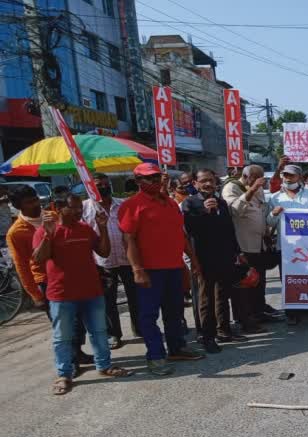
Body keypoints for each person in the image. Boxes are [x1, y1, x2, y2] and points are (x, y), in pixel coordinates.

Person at [32, 192, 132, 395]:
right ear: (58, 207)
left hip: (91, 291)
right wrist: (48, 235)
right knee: (63, 337)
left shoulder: (85, 229)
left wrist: (102, 227)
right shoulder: (46, 230)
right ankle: (64, 374)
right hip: (61, 294)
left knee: (99, 332)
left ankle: (104, 366)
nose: (79, 211)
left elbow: (103, 252)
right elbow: (38, 258)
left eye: (80, 207)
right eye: (73, 208)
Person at [118, 163, 204, 376]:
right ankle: (155, 356)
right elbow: (128, 240)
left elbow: (181, 235)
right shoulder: (131, 206)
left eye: (157, 177)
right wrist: (137, 269)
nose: (156, 181)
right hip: (149, 270)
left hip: (174, 267)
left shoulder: (171, 204)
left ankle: (177, 348)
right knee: (148, 316)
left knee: (174, 312)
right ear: (138, 182)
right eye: (150, 178)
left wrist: (194, 260)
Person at [6, 185, 91, 366]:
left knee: (78, 321)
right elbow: (22, 266)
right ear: (18, 206)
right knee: (62, 324)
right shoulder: (16, 232)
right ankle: (70, 363)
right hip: (46, 281)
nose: (35, 204)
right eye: (29, 202)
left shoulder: (54, 216)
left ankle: (78, 353)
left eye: (35, 199)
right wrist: (35, 295)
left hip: (69, 276)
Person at [183, 169, 244, 353]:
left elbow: (229, 229)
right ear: (195, 183)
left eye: (211, 180)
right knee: (205, 298)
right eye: (203, 181)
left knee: (223, 294)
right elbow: (190, 229)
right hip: (202, 258)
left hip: (224, 257)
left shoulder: (222, 203)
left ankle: (223, 329)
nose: (208, 184)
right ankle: (206, 336)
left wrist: (237, 252)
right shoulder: (190, 203)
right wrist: (205, 211)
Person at [82, 173, 140, 349]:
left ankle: (140, 328)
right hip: (102, 262)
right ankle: (114, 334)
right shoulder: (84, 208)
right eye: (99, 185)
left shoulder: (122, 205)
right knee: (108, 301)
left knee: (136, 297)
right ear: (91, 186)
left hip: (127, 258)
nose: (104, 188)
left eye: (106, 184)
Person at [222, 164, 279, 325]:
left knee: (259, 280)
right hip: (243, 244)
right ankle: (245, 317)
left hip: (259, 243)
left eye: (259, 178)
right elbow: (234, 210)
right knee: (245, 282)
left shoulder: (258, 188)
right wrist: (252, 190)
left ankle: (259, 310)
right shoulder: (231, 187)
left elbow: (262, 210)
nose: (257, 182)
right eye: (254, 178)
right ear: (245, 177)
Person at [267, 164, 308, 325]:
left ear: (299, 177)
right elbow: (269, 222)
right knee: (289, 280)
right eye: (285, 175)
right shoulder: (275, 197)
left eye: (291, 175)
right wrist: (273, 213)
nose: (287, 178)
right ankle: (292, 313)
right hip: (285, 247)